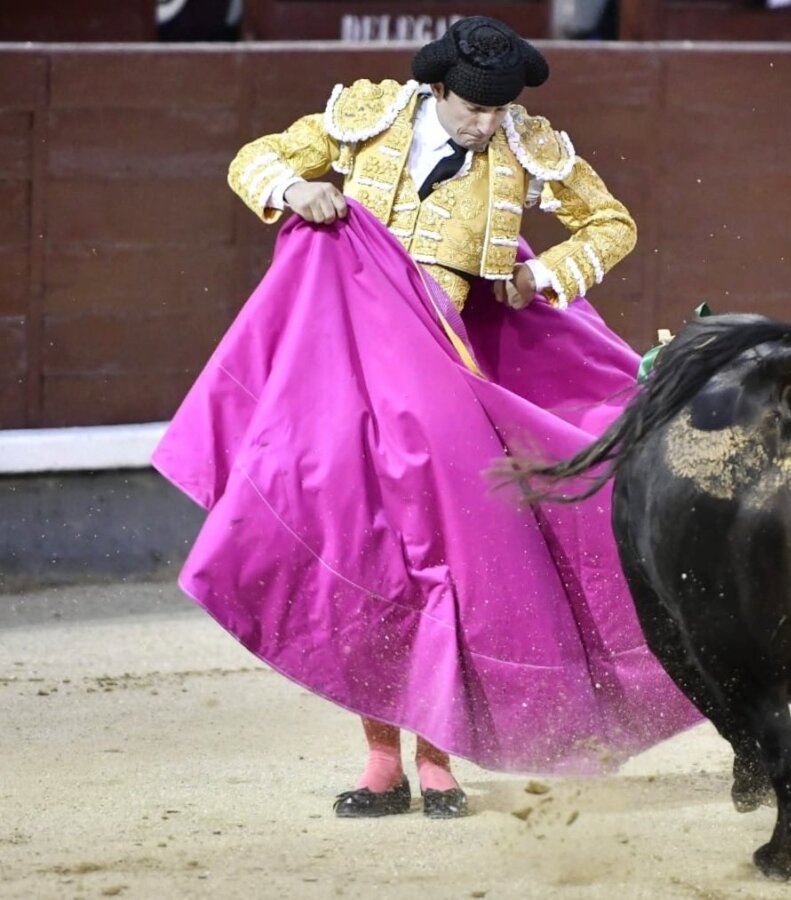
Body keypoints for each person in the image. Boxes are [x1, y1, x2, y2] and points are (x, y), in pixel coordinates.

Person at [153, 16, 701, 822]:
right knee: (365, 557)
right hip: (346, 372)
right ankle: (382, 762)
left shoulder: (524, 144)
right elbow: (255, 158)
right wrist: (295, 190)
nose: (486, 125)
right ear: (439, 89)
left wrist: (544, 276)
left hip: (442, 379)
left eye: (498, 110)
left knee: (450, 560)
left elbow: (611, 224)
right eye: (474, 109)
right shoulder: (369, 119)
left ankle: (436, 760)